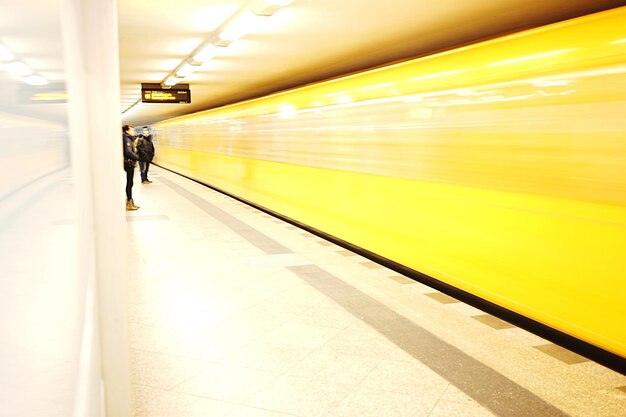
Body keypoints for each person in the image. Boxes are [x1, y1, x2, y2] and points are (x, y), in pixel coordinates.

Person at [122, 125, 140, 210]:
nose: (134, 131)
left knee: (130, 183)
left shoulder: (128, 138)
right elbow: (128, 152)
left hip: (129, 163)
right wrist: (137, 157)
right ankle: (129, 203)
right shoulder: (126, 139)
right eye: (132, 130)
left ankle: (130, 201)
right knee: (130, 183)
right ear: (127, 131)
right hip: (129, 163)